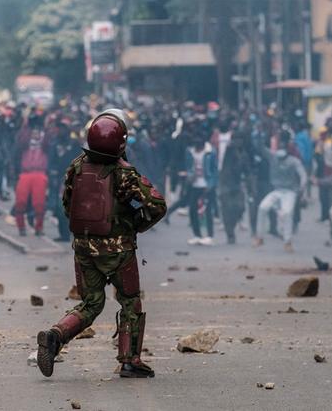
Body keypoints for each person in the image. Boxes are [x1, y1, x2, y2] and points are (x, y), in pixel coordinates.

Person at [36, 111, 166, 379]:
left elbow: (66, 206)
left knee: (91, 303)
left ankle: (55, 336)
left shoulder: (76, 166)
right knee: (130, 301)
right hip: (119, 251)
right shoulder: (124, 173)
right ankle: (130, 360)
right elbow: (157, 205)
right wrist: (136, 225)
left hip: (83, 248)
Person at [253, 140, 307, 252]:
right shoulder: (273, 157)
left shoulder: (294, 161)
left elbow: (303, 174)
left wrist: (302, 187)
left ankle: (287, 242)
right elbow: (261, 147)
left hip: (290, 192)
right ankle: (260, 237)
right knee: (262, 207)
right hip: (276, 191)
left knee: (287, 213)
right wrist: (261, 134)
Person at [14, 126, 48, 237]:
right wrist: (25, 124)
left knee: (39, 203)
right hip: (25, 174)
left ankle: (39, 227)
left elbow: (49, 137)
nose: (35, 135)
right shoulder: (24, 145)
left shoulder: (44, 145)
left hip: (40, 174)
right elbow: (20, 140)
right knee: (20, 202)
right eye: (33, 133)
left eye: (37, 133)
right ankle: (21, 227)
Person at [186, 135, 218, 246]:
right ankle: (197, 235)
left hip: (206, 185)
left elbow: (214, 169)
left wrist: (211, 184)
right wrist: (190, 176)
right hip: (194, 184)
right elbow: (189, 166)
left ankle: (210, 236)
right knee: (192, 209)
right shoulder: (190, 152)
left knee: (208, 211)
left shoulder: (210, 153)